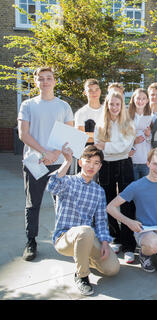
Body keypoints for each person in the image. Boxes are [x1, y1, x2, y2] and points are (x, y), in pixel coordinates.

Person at [47, 144, 120, 296]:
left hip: (87, 237)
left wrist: (105, 243)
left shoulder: (99, 191)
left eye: (96, 163)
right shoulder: (67, 181)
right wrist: (67, 162)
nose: (91, 166)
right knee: (85, 231)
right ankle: (81, 276)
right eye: (88, 161)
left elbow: (101, 220)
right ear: (80, 162)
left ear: (100, 166)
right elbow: (52, 187)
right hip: (64, 238)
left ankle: (84, 258)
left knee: (112, 269)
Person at [18, 66, 74, 261]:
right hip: (35, 161)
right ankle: (31, 241)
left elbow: (68, 133)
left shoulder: (63, 106)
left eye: (48, 78)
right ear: (35, 82)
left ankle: (62, 238)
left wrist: (55, 154)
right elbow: (23, 134)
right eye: (41, 79)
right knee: (33, 203)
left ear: (54, 81)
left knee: (61, 203)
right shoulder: (27, 105)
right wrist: (44, 153)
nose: (45, 82)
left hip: (58, 163)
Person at [106, 148, 157, 276]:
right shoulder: (136, 186)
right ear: (148, 164)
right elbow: (110, 207)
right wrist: (129, 222)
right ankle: (144, 254)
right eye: (155, 164)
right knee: (154, 243)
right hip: (145, 230)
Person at [94, 90, 136, 264]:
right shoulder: (100, 124)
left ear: (122, 106)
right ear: (107, 105)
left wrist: (108, 146)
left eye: (117, 104)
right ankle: (115, 238)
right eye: (111, 104)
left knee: (127, 203)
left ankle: (129, 245)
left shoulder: (128, 123)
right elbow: (98, 144)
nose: (114, 107)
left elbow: (126, 145)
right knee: (108, 201)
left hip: (125, 164)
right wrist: (116, 147)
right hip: (107, 165)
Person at [128, 88, 153, 180]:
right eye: (138, 98)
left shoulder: (151, 117)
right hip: (132, 160)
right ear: (133, 99)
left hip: (146, 160)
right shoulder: (127, 117)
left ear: (147, 100)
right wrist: (134, 141)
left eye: (143, 99)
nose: (140, 101)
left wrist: (148, 135)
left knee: (146, 188)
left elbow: (154, 141)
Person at [74, 79, 103, 146]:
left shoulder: (107, 111)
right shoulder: (80, 113)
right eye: (90, 90)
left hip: (107, 154)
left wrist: (90, 134)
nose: (94, 93)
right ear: (85, 93)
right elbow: (80, 137)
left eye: (96, 89)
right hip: (89, 153)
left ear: (100, 91)